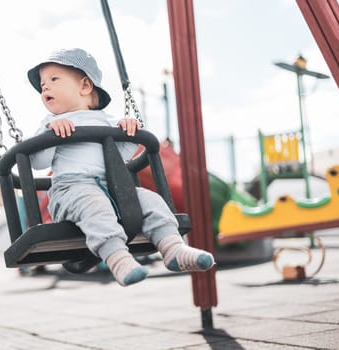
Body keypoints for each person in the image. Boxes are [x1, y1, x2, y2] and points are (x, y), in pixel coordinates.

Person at [27, 48, 215, 287]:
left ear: (85, 86)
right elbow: (36, 162)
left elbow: (124, 154)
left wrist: (128, 128)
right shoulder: (50, 123)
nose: (45, 87)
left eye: (54, 79)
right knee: (94, 205)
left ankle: (174, 249)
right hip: (70, 191)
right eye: (42, 84)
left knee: (151, 200)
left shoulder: (108, 121)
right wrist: (50, 134)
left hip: (114, 187)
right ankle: (118, 260)